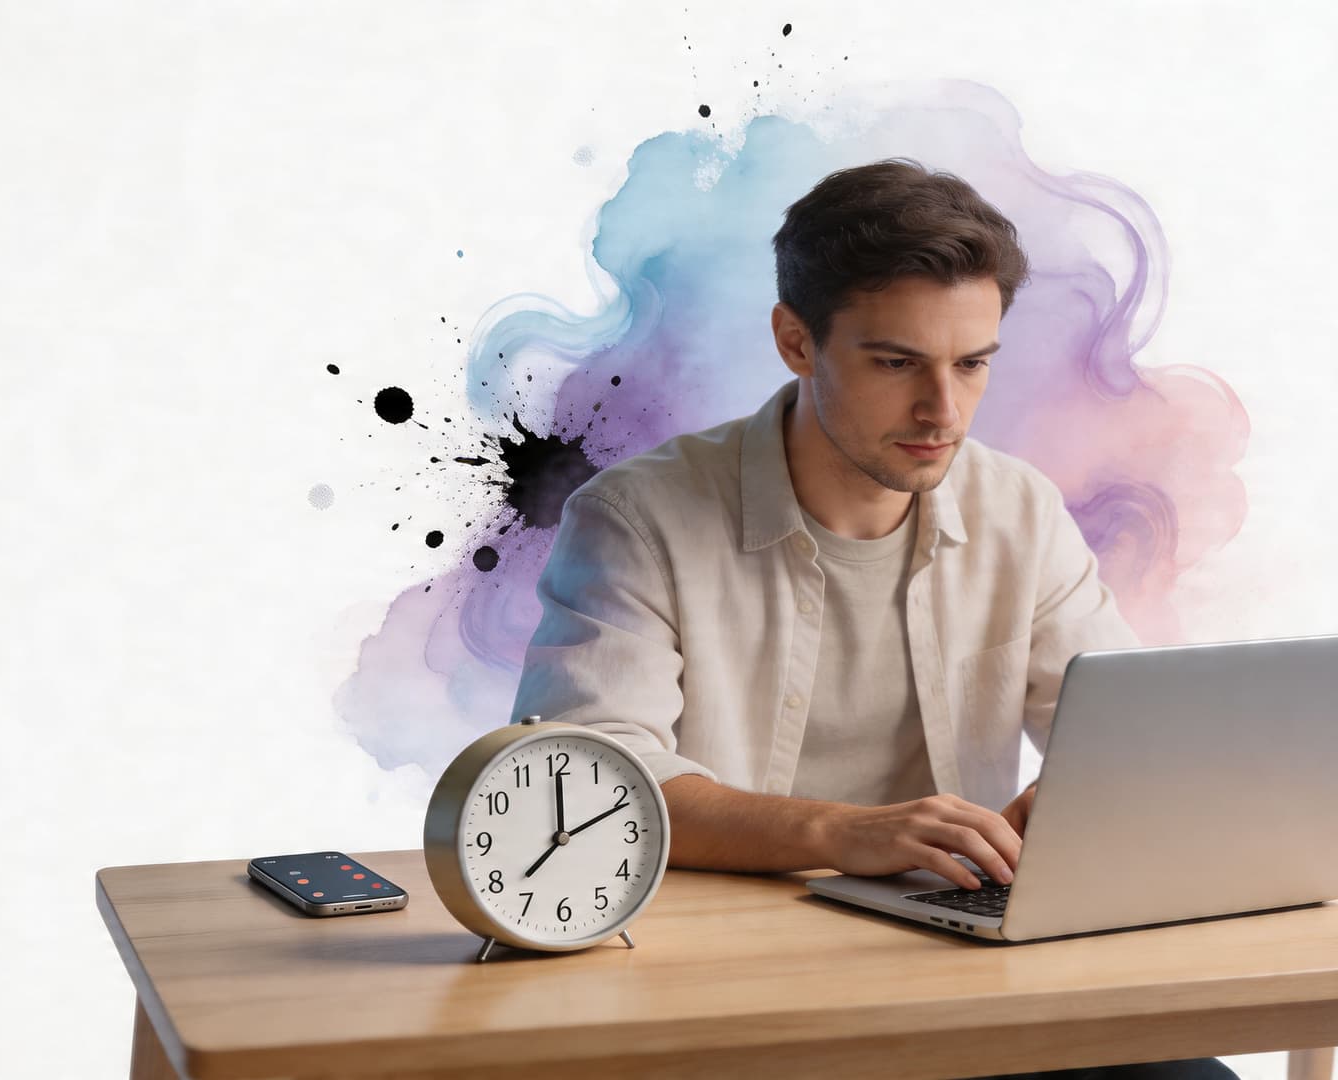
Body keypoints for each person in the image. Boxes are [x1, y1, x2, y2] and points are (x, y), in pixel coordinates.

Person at [512, 158, 1239, 1080]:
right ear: (796, 341)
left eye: (972, 364)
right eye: (896, 363)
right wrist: (847, 832)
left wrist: (1096, 797)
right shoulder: (637, 518)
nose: (944, 410)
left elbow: (1127, 727)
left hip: (955, 972)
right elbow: (589, 783)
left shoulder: (1019, 509)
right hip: (718, 992)